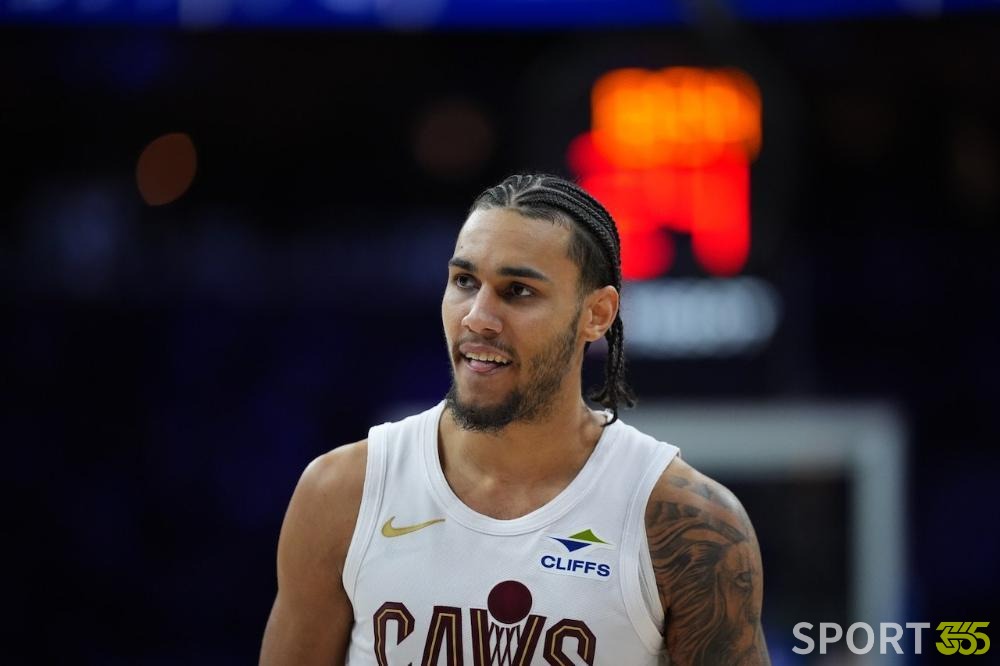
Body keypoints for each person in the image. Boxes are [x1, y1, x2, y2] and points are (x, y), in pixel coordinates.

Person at [259, 174, 769, 665]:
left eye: (518, 290)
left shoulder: (688, 524)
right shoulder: (342, 493)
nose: (477, 317)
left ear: (597, 314)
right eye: (464, 281)